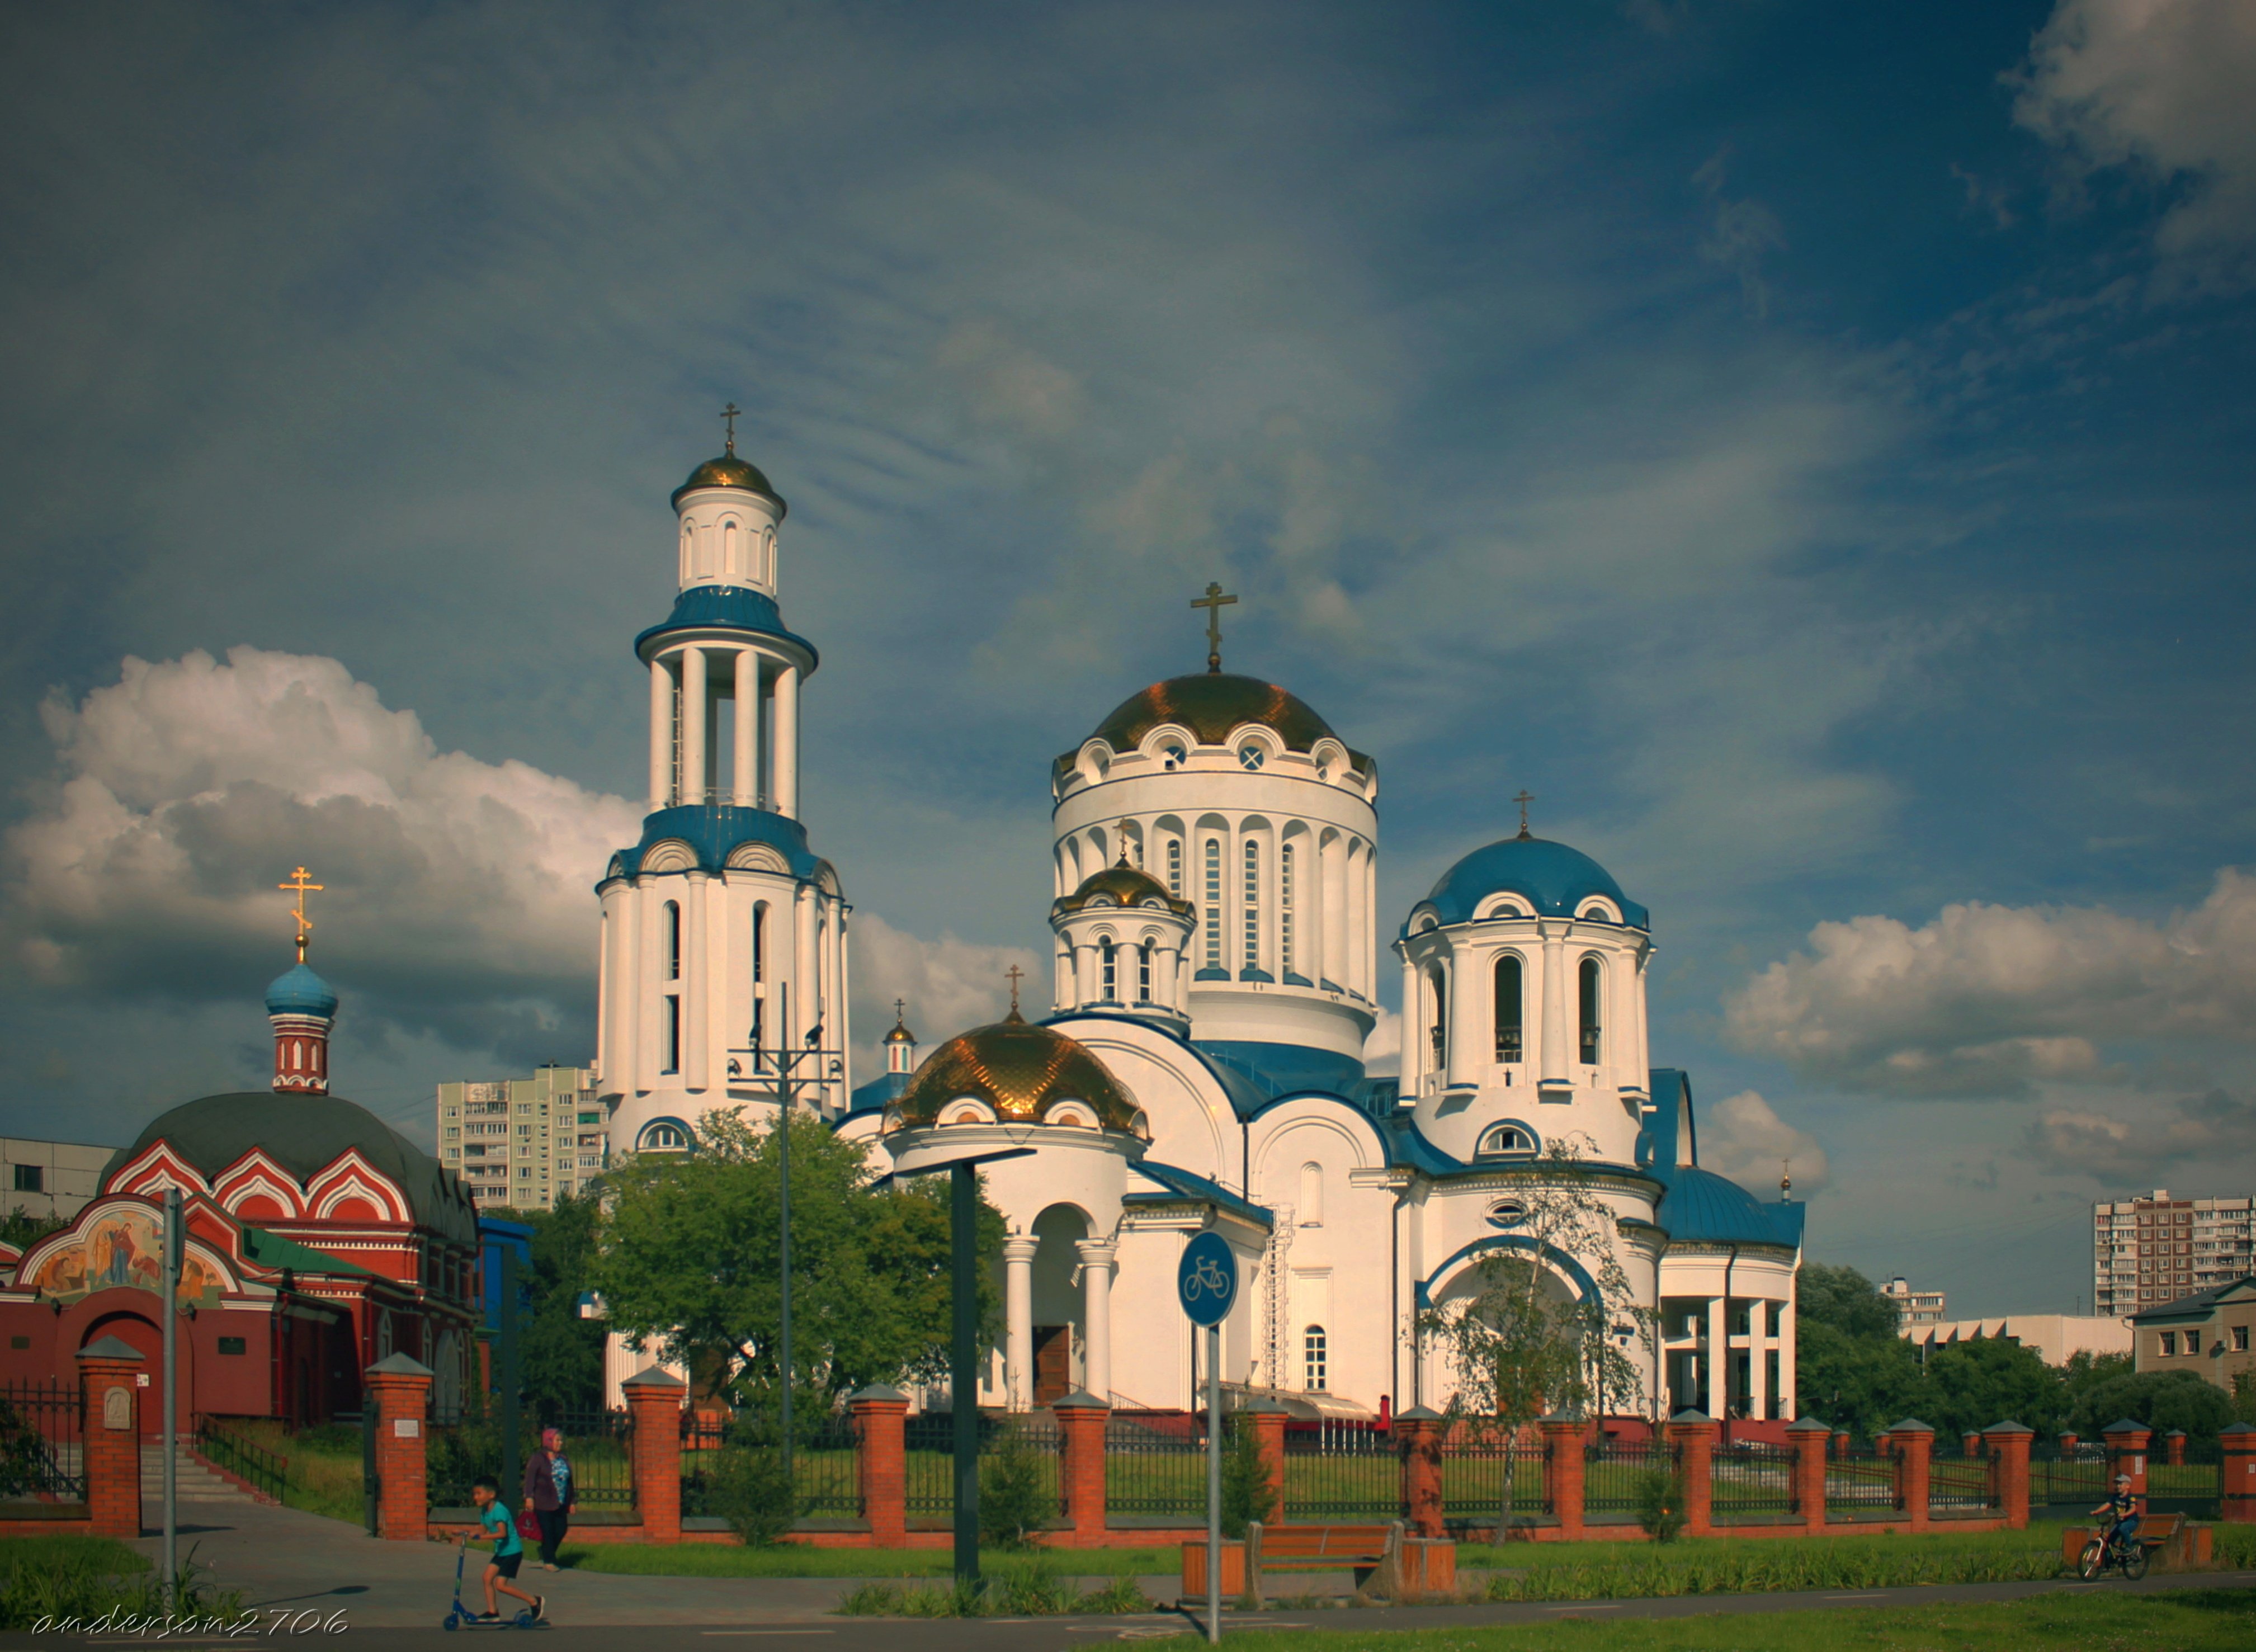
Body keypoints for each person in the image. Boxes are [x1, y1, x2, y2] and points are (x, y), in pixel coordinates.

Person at [468, 1475, 544, 1622]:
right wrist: (466, 1532)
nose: (475, 1497)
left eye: (478, 1494)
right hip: (502, 1551)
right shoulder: (485, 1511)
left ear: (491, 1495)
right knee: (487, 1578)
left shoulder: (499, 1511)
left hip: (512, 1552)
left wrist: (481, 1538)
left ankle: (534, 1601)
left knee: (501, 1585)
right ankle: (493, 1612)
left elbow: (503, 1533)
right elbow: (482, 1529)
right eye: (474, 1494)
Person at [523, 1426, 575, 1571]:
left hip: (560, 1502)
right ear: (549, 1441)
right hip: (543, 1502)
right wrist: (529, 1497)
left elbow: (570, 1482)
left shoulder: (563, 1459)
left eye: (561, 1441)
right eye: (557, 1440)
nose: (561, 1443)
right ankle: (549, 1561)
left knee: (561, 1530)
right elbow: (530, 1479)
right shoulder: (538, 1459)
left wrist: (572, 1501)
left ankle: (546, 1552)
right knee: (548, 1531)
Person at [2090, 1472, 2141, 1566]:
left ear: (2128, 1486)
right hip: (2120, 1522)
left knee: (2123, 1528)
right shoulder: (2115, 1497)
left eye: (2121, 1484)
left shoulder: (2131, 1498)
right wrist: (2097, 1512)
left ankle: (2129, 1547)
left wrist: (2125, 1514)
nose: (2118, 1486)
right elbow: (2107, 1505)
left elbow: (2133, 1508)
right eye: (2117, 1484)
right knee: (2110, 1540)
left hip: (2131, 1521)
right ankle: (2110, 1561)